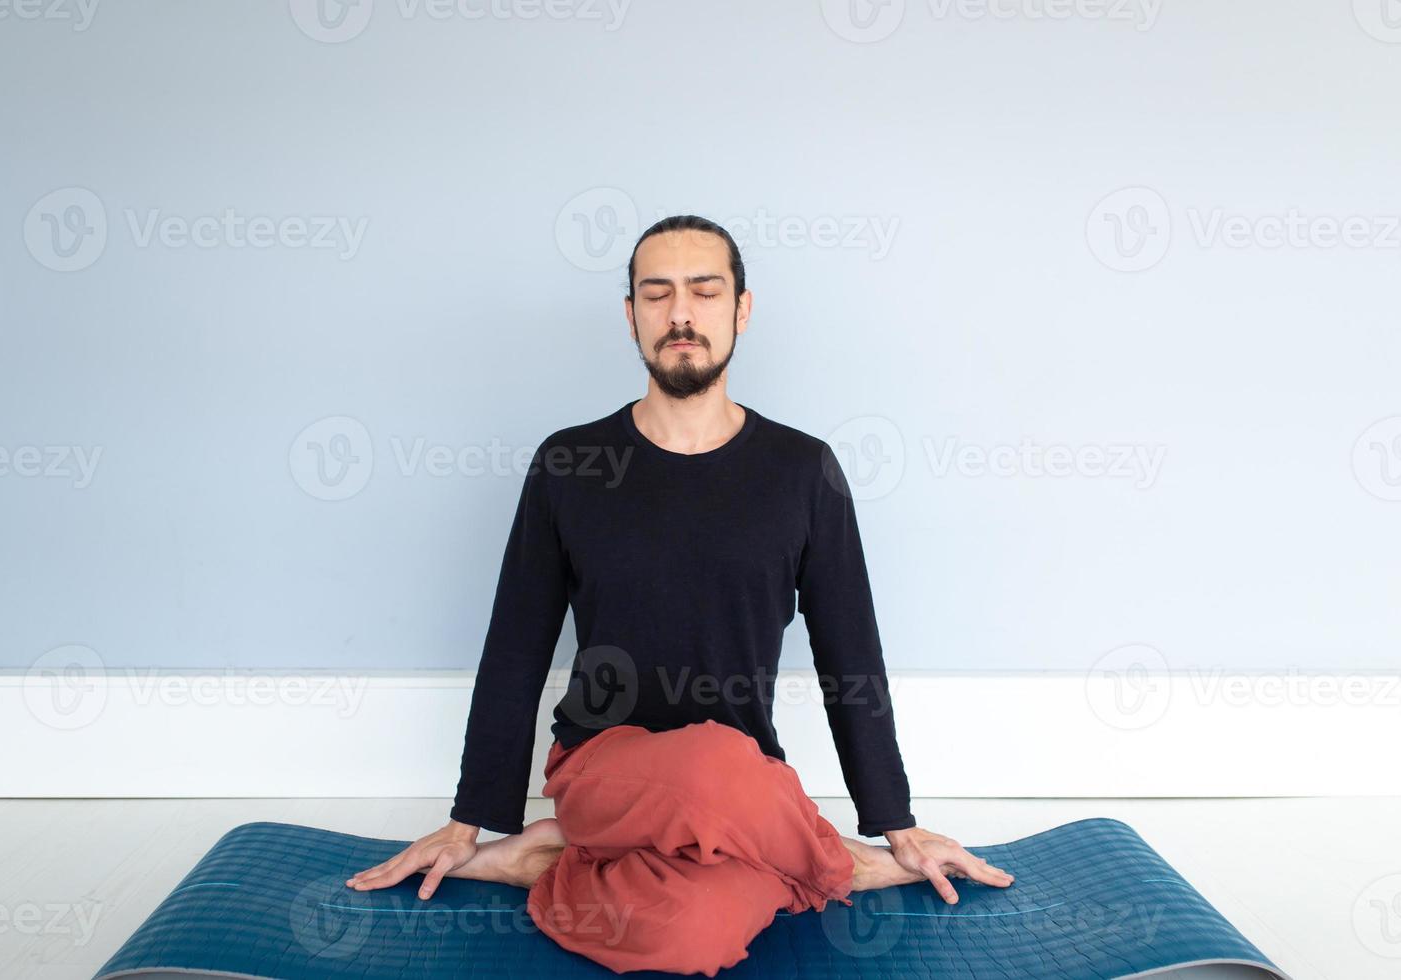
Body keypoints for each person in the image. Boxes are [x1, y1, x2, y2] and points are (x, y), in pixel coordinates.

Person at [346, 215, 1014, 975]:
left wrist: (895, 820)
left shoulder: (804, 470)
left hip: (741, 786)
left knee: (693, 933)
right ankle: (829, 861)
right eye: (657, 295)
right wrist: (470, 821)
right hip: (604, 767)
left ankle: (549, 861)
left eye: (704, 291)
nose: (682, 314)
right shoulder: (572, 464)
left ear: (742, 309)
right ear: (631, 316)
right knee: (710, 770)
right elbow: (515, 649)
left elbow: (849, 651)